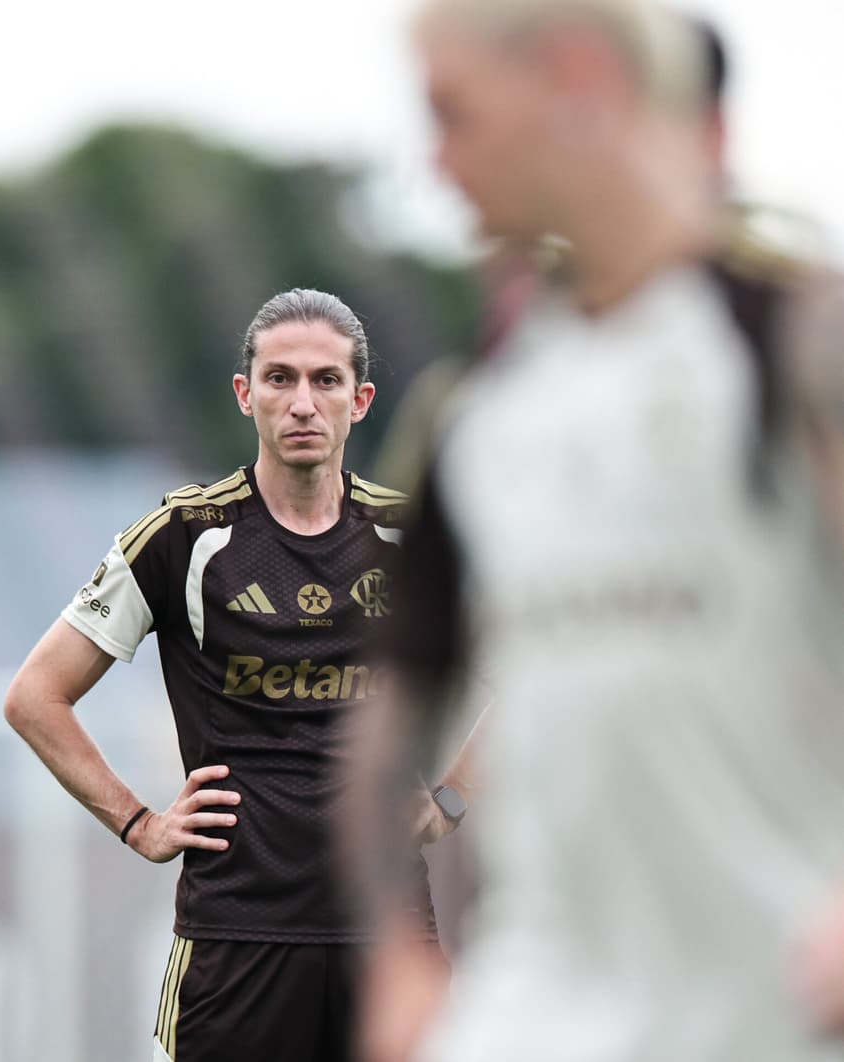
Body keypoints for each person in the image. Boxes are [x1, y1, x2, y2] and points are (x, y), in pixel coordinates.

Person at [357, 2, 844, 1061]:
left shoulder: (794, 344)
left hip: (779, 1013)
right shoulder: (480, 419)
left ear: (577, 79)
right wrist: (394, 960)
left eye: (452, 114)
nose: (434, 164)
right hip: (533, 1019)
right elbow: (392, 710)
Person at [3, 287, 460, 1062]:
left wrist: (451, 797)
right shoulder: (184, 535)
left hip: (388, 938)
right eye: (280, 379)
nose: (303, 402)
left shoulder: (408, 535)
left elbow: (521, 668)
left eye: (326, 380)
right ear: (246, 395)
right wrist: (137, 821)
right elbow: (35, 696)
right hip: (234, 942)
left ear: (362, 399)